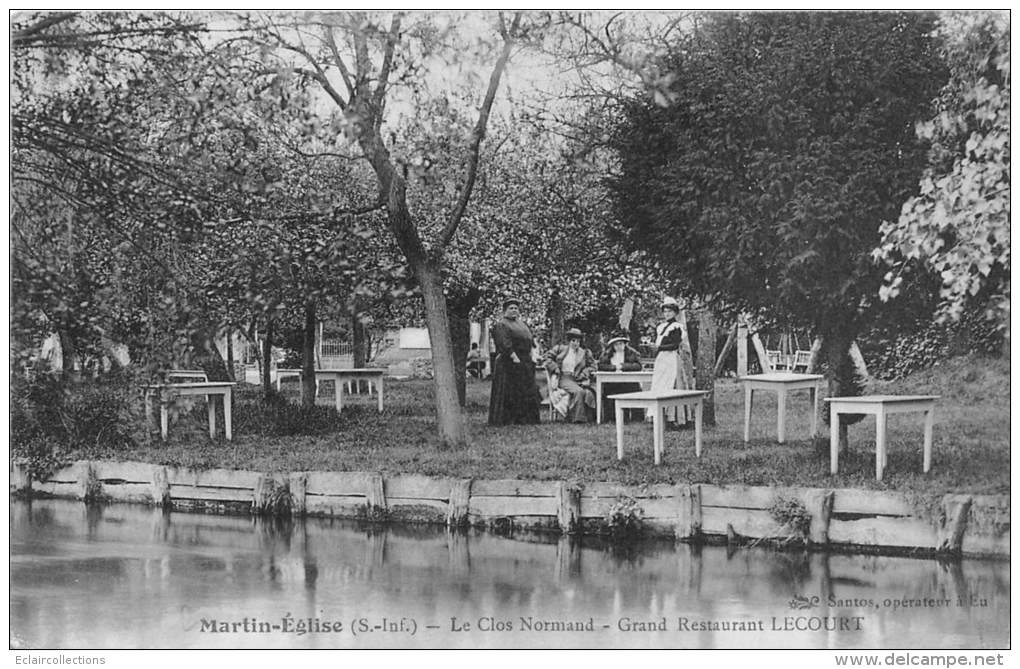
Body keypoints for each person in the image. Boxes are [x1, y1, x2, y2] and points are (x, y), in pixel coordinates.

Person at [488, 298, 541, 425]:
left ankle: (525, 419)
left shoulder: (522, 324)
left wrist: (532, 355)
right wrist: (514, 357)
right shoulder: (502, 324)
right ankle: (507, 419)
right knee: (510, 391)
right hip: (509, 362)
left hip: (525, 360)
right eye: (511, 308)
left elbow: (530, 340)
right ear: (505, 311)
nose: (514, 310)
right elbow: (504, 343)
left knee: (525, 390)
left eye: (516, 308)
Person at [651, 297, 694, 427]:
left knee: (672, 384)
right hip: (662, 359)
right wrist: (657, 348)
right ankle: (660, 415)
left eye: (670, 311)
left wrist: (659, 347)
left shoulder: (677, 327)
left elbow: (675, 345)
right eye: (665, 311)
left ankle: (675, 417)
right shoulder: (661, 327)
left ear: (675, 313)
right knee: (660, 384)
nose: (667, 314)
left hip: (671, 359)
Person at [544, 327, 597, 423]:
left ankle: (587, 417)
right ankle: (577, 418)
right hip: (564, 378)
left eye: (578, 341)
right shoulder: (560, 349)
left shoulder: (584, 353)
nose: (575, 343)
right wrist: (555, 368)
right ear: (569, 340)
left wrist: (584, 373)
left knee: (589, 392)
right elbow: (547, 358)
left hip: (578, 379)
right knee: (579, 391)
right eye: (573, 340)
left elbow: (593, 366)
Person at [597, 332, 644, 422]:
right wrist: (613, 367)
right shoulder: (607, 354)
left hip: (629, 382)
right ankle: (611, 418)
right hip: (612, 382)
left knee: (635, 389)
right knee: (608, 392)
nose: (619, 346)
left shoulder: (632, 353)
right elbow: (601, 366)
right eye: (616, 344)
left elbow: (638, 366)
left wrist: (623, 366)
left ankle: (637, 418)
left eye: (621, 344)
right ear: (613, 345)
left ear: (624, 344)